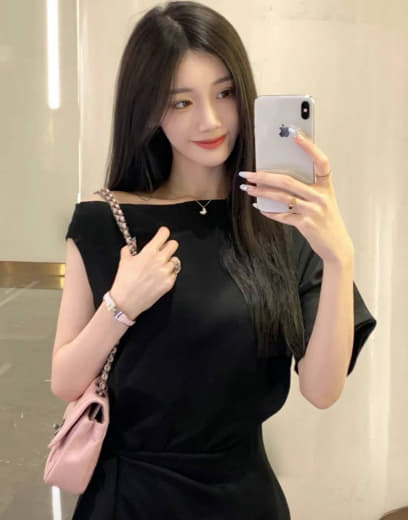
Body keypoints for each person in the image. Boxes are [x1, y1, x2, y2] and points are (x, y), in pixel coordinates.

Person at [50, 1, 377, 518]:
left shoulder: (279, 221)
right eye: (181, 102)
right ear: (148, 110)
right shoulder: (103, 220)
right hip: (130, 500)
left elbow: (321, 390)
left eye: (224, 93)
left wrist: (339, 258)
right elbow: (65, 381)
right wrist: (121, 305)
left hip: (243, 500)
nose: (209, 119)